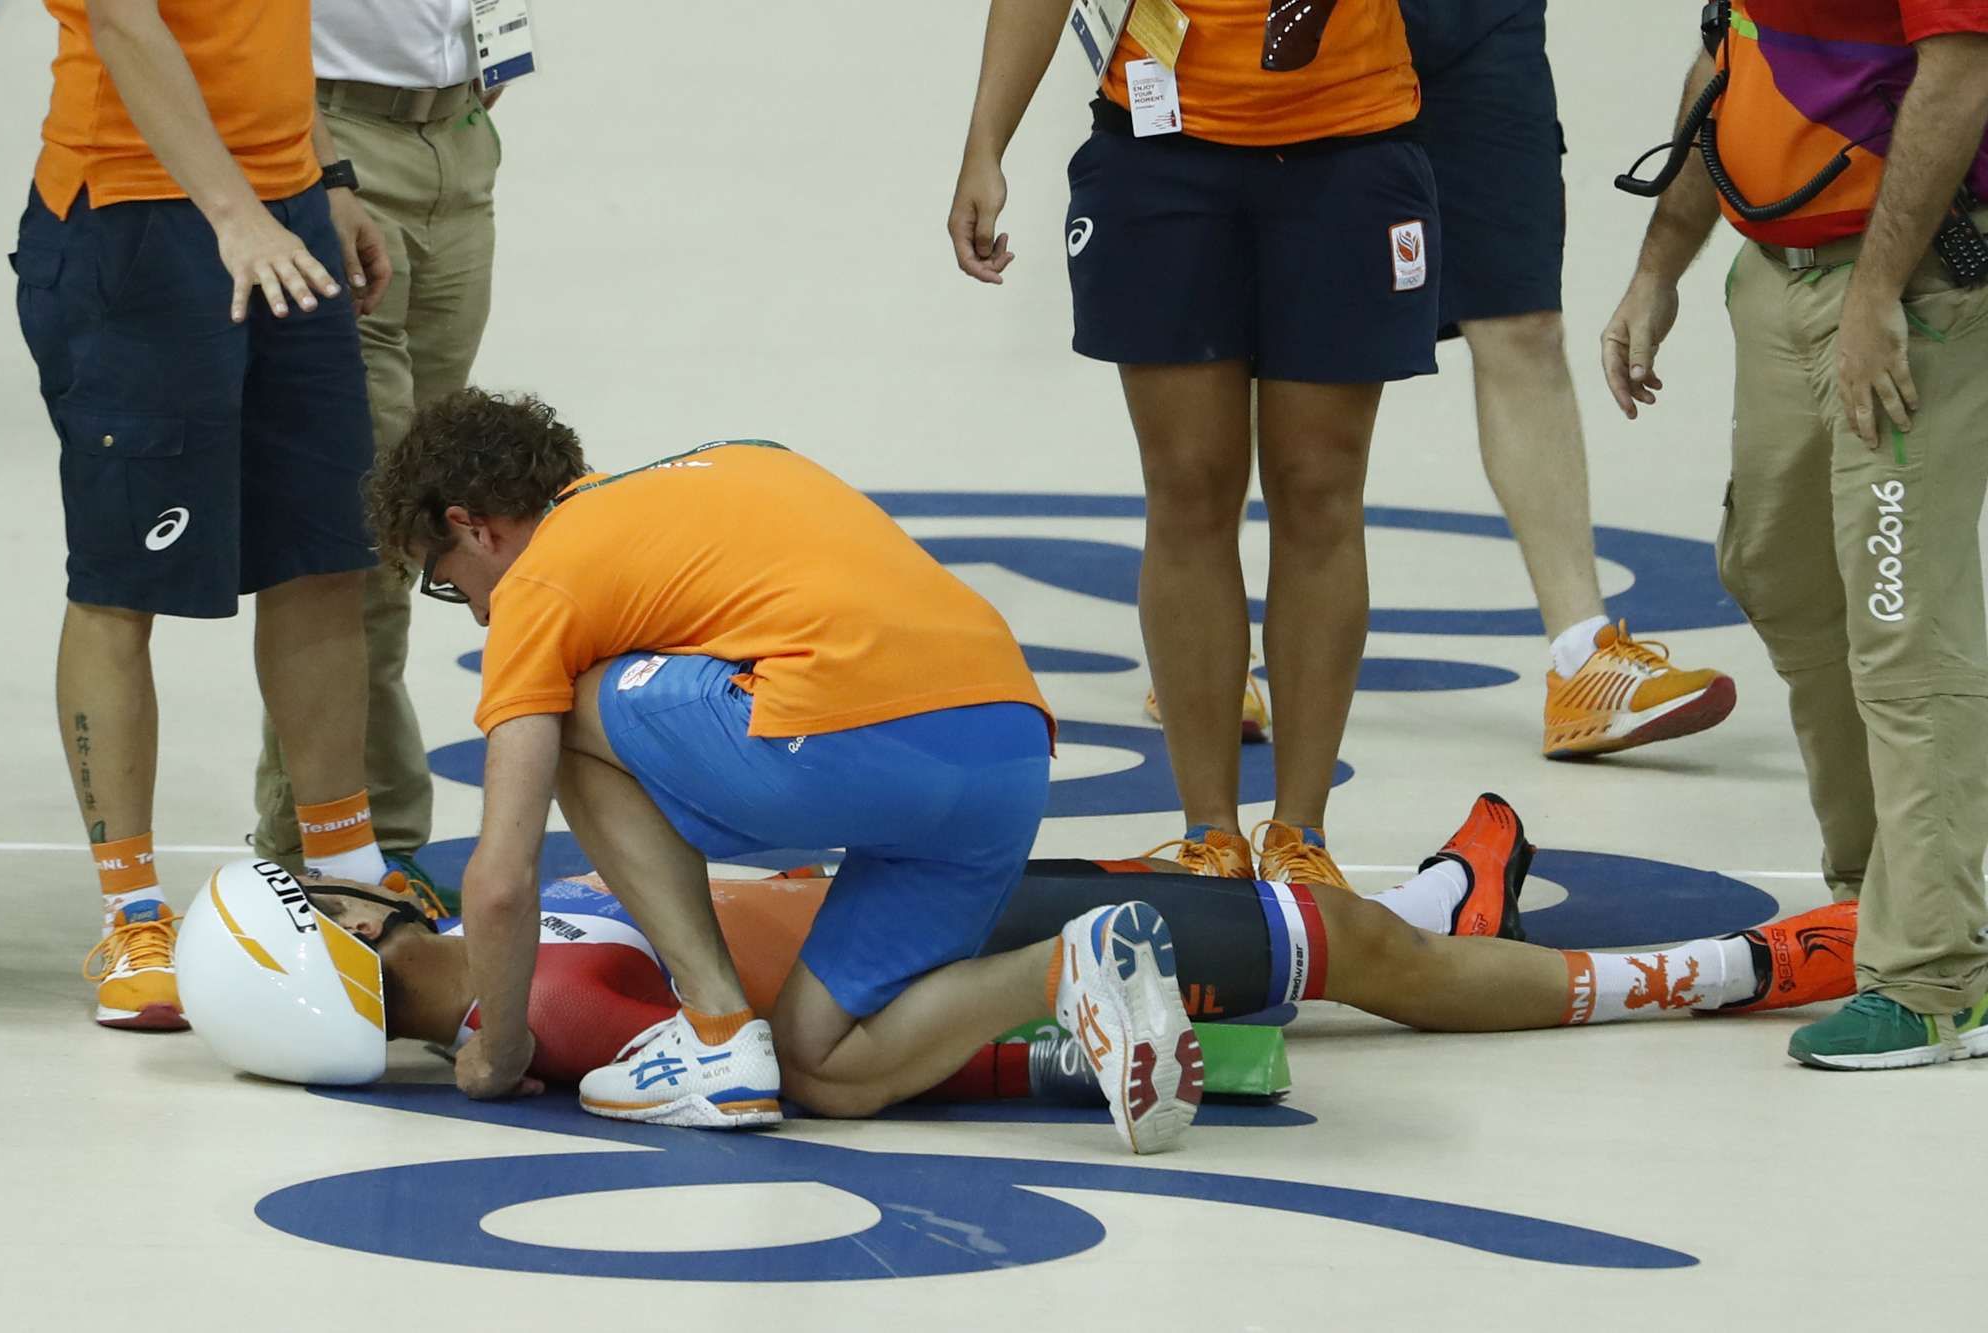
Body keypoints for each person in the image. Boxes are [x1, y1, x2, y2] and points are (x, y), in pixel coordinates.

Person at [361, 388, 1201, 1154]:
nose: (469, 605)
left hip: (852, 742)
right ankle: (1071, 966)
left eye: (443, 579)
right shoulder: (742, 456)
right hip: (1010, 747)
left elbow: (503, 879)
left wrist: (499, 1052)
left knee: (561, 709)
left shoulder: (537, 582)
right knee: (822, 1065)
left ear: (475, 526)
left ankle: (719, 1034)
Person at [175, 794, 1863, 1102]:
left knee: (1291, 911)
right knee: (1332, 942)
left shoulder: (513, 964)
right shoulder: (537, 1000)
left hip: (920, 902)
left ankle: (1441, 908)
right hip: (951, 950)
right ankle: (1736, 968)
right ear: (340, 949)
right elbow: (776, 1070)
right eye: (328, 901)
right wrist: (1052, 1048)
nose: (361, 881)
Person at [948, 0, 1439, 884]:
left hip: (1351, 143)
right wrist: (987, 140)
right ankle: (1209, 832)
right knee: (1187, 484)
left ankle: (1303, 834)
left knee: (1320, 486)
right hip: (1158, 149)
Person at [1601, 1, 1988, 1068]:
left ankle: (1935, 980)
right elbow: (1730, 52)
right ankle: (1874, 897)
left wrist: (1874, 292)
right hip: (1775, 269)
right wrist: (1657, 265)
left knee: (1901, 615)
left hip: (1911, 284)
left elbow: (1960, 73)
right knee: (1776, 569)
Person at [12, 0, 397, 1030]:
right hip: (135, 222)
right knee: (119, 581)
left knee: (323, 553)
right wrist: (233, 212)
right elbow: (128, 25)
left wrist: (324, 180)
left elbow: (271, 36)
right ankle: (132, 912)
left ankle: (345, 871)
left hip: (280, 209)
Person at [1399, 0, 1736, 759]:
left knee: (1522, 320)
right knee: (1279, 343)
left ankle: (1581, 656)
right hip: (1284, 30)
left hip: (1479, 23)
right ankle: (1208, 641)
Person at [252, 0, 511, 884]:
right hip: (332, 147)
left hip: (460, 135)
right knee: (354, 537)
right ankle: (339, 851)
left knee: (422, 518)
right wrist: (319, 160)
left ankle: (365, 841)